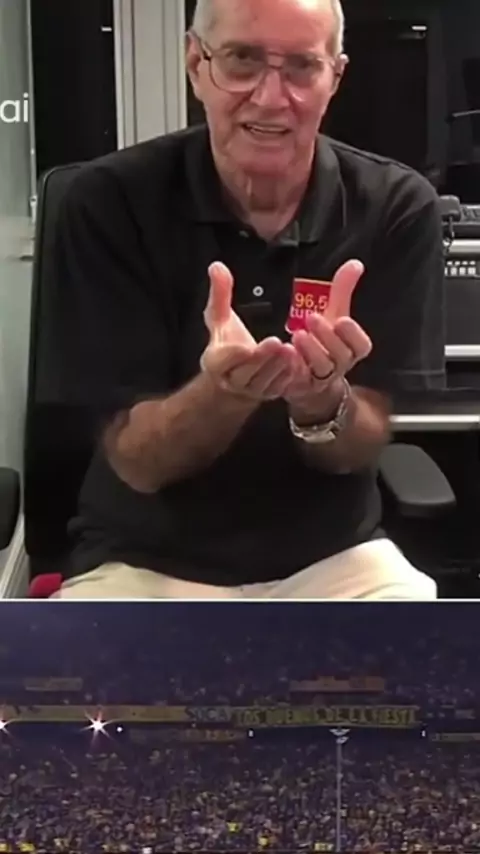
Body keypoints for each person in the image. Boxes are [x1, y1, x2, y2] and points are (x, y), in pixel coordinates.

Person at [50, 0, 445, 599]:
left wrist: (320, 400)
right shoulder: (107, 204)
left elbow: (360, 444)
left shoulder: (397, 208)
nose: (270, 97)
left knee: (424, 645)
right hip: (143, 561)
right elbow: (138, 464)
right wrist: (226, 392)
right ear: (196, 64)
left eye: (301, 67)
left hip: (334, 559)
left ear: (335, 77)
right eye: (242, 60)